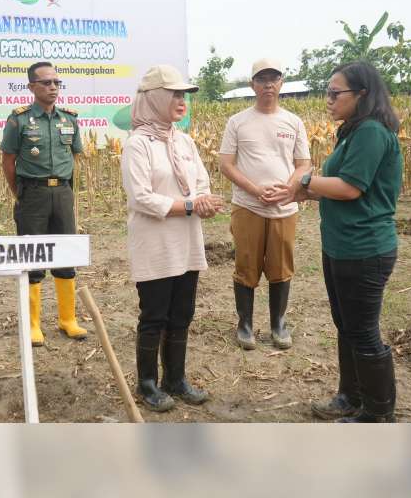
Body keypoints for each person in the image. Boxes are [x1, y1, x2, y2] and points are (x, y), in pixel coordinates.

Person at [275, 60, 403, 423]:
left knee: (362, 330)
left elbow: (350, 187)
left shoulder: (371, 133)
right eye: (327, 92)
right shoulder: (353, 131)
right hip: (341, 246)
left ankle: (378, 413)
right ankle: (350, 396)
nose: (328, 99)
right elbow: (337, 187)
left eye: (335, 93)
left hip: (365, 250)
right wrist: (299, 193)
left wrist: (303, 183)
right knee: (346, 326)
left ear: (362, 94)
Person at [120, 64, 224, 412]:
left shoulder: (184, 141)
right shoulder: (138, 144)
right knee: (154, 315)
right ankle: (148, 384)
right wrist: (193, 204)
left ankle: (175, 379)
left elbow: (202, 183)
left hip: (187, 239)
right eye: (175, 94)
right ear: (155, 98)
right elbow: (141, 197)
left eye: (184, 95)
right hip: (155, 242)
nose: (182, 101)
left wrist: (205, 201)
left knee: (182, 313)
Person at [218, 58, 311, 351]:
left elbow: (303, 164)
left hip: (285, 207)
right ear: (252, 85)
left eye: (273, 78)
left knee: (282, 266)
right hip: (248, 205)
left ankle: (278, 324)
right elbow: (226, 165)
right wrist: (255, 189)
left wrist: (289, 188)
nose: (268, 84)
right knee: (246, 264)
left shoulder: (293, 122)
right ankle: (245, 324)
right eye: (262, 79)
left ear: (281, 83)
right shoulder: (238, 122)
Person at [0, 61, 88, 347]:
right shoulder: (19, 120)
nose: (53, 87)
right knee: (32, 256)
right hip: (33, 194)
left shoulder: (69, 119)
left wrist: (65, 189)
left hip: (62, 193)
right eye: (46, 83)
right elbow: (8, 160)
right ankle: (33, 324)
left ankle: (67, 319)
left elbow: (74, 156)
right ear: (32, 87)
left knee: (66, 254)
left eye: (56, 83)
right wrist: (21, 193)